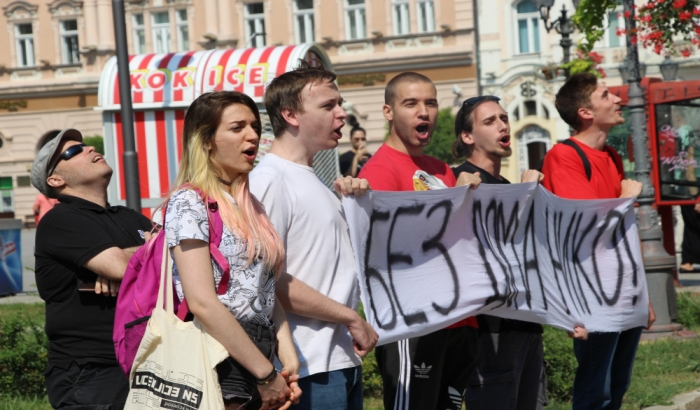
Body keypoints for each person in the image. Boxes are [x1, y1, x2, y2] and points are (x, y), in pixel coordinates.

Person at [249, 62, 378, 409]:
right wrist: (351, 317)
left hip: (338, 360)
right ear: (291, 114)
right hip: (305, 368)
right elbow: (268, 281)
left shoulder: (311, 179)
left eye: (340, 104)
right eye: (328, 106)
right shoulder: (270, 181)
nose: (342, 115)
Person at [164, 91, 301, 410]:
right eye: (238, 127)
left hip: (260, 355)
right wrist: (267, 376)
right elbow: (202, 302)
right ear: (207, 140)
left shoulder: (252, 205)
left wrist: (288, 354)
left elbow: (264, 288)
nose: (253, 135)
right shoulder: (190, 201)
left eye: (255, 126)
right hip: (219, 355)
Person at [451, 95, 588, 409]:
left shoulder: (508, 185)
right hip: (490, 332)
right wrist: (523, 196)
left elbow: (533, 259)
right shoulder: (462, 182)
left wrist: (565, 312)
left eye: (503, 118)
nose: (502, 125)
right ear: (467, 136)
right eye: (490, 121)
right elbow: (485, 249)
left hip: (527, 324)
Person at [358, 72, 482, 410]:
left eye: (430, 103)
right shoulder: (378, 171)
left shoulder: (441, 169)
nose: (423, 112)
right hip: (413, 322)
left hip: (458, 319)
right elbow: (390, 250)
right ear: (388, 112)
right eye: (410, 103)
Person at [541, 72, 656, 410]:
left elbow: (623, 235)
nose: (618, 99)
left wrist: (642, 294)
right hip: (591, 294)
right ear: (585, 112)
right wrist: (624, 198)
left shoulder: (612, 157)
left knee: (617, 386)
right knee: (596, 389)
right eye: (606, 95)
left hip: (623, 292)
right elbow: (585, 228)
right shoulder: (563, 156)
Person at [31, 129, 153, 409]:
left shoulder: (128, 216)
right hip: (93, 372)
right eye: (73, 151)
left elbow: (178, 258)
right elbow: (122, 266)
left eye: (84, 144)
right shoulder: (61, 219)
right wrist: (144, 253)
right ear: (56, 180)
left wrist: (132, 264)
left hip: (146, 362)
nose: (87, 149)